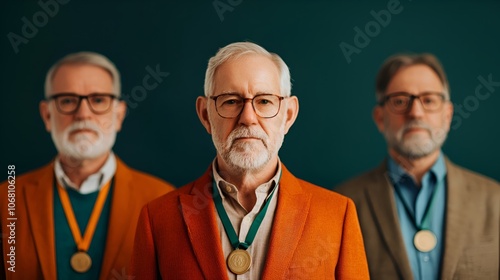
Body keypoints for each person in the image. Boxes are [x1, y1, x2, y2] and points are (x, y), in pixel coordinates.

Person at [129, 42, 369, 279]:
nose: (248, 118)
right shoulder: (158, 218)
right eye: (231, 101)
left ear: (288, 115)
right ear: (205, 115)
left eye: (264, 101)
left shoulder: (337, 215)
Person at [0, 52, 175, 280]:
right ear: (46, 115)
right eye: (67, 100)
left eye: (99, 100)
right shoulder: (6, 199)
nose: (83, 114)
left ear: (119, 115)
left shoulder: (164, 200)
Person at [336, 53, 500, 280]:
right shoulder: (342, 204)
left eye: (429, 100)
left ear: (448, 115)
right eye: (400, 101)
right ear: (380, 118)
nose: (415, 112)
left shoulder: (495, 199)